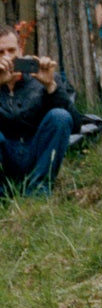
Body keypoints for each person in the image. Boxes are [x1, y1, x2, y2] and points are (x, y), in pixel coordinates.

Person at [0, 23, 73, 198]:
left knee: (60, 116)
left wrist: (51, 86)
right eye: (0, 53)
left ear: (21, 49)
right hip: (5, 156)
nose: (7, 57)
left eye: (11, 50)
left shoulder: (41, 76)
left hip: (36, 153)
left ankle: (38, 190)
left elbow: (74, 122)